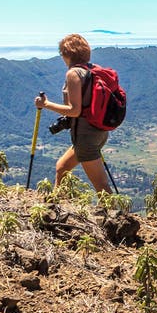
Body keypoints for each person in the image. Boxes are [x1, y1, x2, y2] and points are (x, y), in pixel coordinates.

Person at [35, 33, 111, 193]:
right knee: (62, 167)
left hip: (86, 136)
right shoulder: (93, 70)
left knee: (102, 187)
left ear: (66, 54)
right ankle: (56, 205)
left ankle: (116, 216)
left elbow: (74, 110)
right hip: (99, 132)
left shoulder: (73, 74)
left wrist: (46, 104)